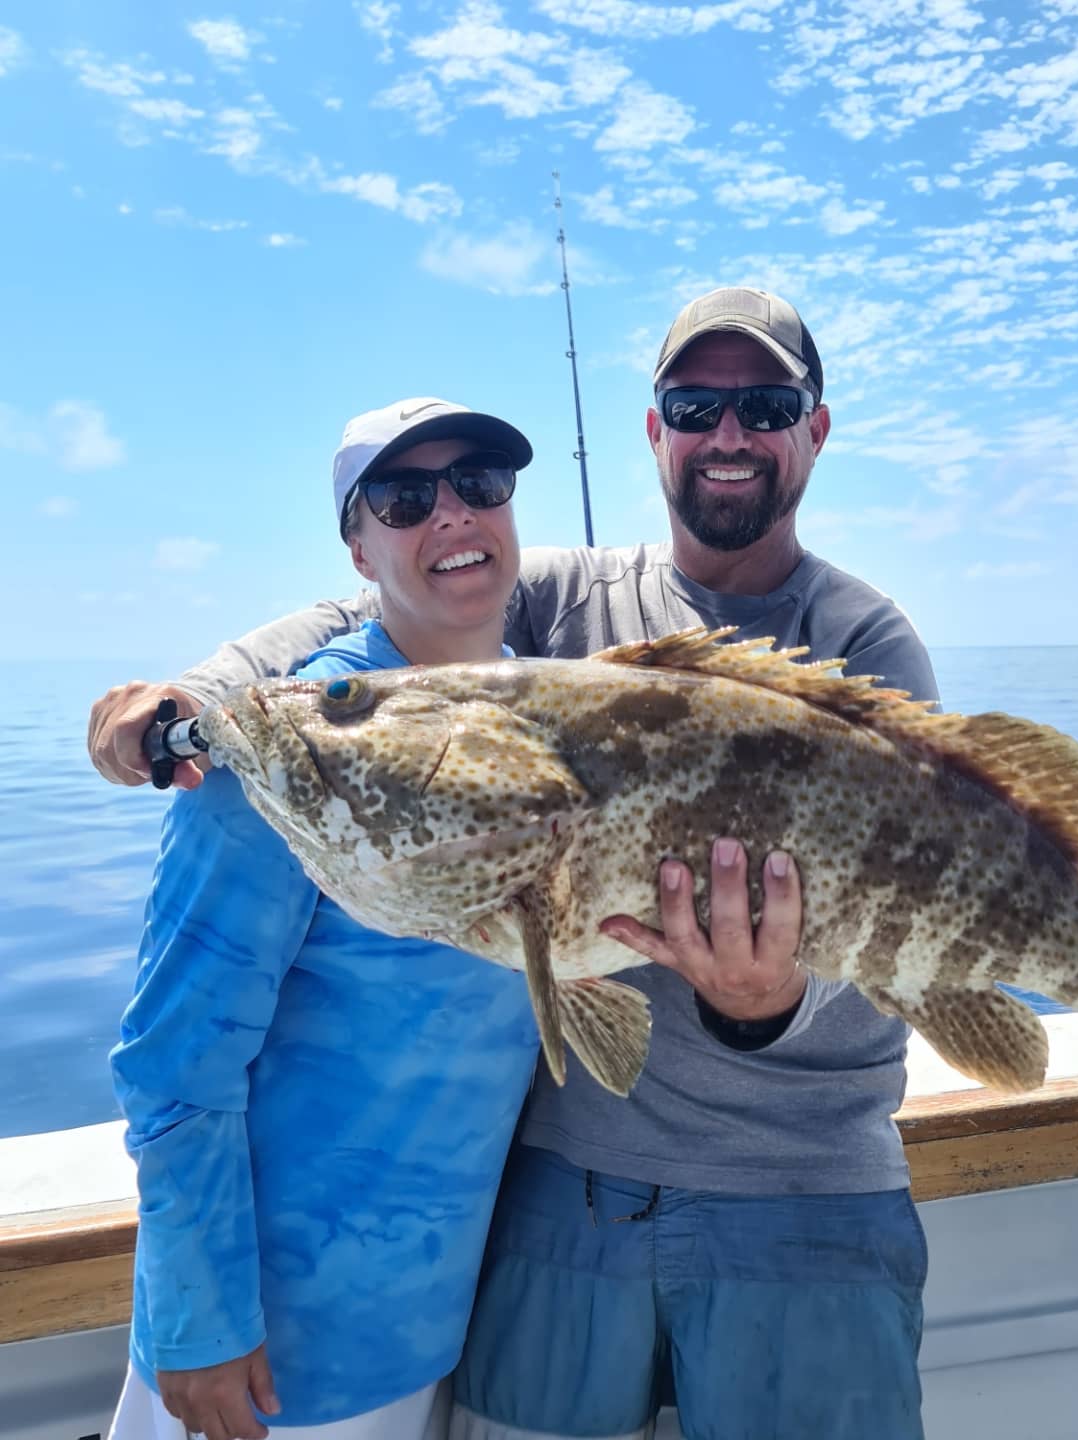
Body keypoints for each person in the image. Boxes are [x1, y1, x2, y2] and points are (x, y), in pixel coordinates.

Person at [90, 288, 941, 1440]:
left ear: (814, 428)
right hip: (532, 1223)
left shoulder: (867, 642)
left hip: (777, 1199)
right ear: (656, 432)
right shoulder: (545, 608)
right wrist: (194, 700)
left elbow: (924, 895)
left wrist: (769, 1003)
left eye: (765, 405)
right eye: (696, 405)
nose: (728, 434)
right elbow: (360, 654)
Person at [106, 400, 545, 1440]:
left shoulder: (552, 724)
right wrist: (200, 1318)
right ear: (357, 546)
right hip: (270, 1365)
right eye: (403, 499)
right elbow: (172, 1060)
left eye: (480, 482)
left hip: (436, 1335)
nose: (451, 515)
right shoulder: (277, 748)